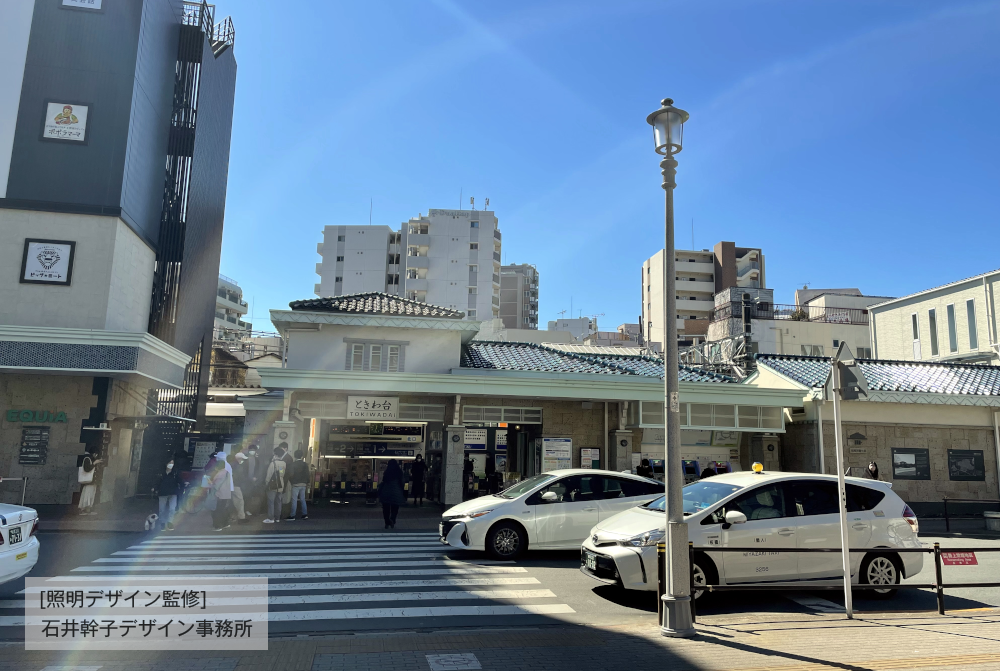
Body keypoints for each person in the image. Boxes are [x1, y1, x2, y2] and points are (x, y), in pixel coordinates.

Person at [154, 459, 181, 531]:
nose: (171, 464)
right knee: (162, 509)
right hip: (163, 493)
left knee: (172, 509)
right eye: (170, 463)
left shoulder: (175, 473)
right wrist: (155, 489)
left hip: (173, 493)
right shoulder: (161, 473)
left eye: (172, 463)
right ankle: (162, 522)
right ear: (166, 464)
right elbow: (157, 482)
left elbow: (180, 481)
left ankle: (170, 522)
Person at [379, 459, 406, 529]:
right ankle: (392, 519)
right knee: (395, 508)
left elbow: (384, 481)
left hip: (386, 492)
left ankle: (387, 522)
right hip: (396, 492)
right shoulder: (399, 472)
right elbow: (402, 482)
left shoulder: (387, 472)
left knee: (386, 508)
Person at [262, 447, 287, 524]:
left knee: (271, 502)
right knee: (278, 502)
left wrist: (266, 483)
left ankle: (271, 518)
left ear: (275, 454)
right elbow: (282, 473)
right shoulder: (283, 463)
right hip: (280, 484)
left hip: (272, 485)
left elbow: (268, 475)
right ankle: (277, 518)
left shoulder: (273, 463)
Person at [210, 453, 233, 531]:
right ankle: (225, 523)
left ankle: (218, 526)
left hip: (219, 494)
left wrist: (211, 483)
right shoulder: (227, 472)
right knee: (223, 509)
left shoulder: (220, 474)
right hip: (226, 494)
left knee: (218, 510)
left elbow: (216, 485)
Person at [77, 448, 102, 516]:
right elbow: (87, 469)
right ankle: (84, 509)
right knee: (87, 495)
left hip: (93, 481)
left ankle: (88, 509)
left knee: (91, 495)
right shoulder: (87, 458)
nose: (96, 455)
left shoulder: (91, 459)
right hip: (89, 482)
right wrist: (94, 463)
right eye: (95, 454)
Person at [286, 449, 310, 520]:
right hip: (303, 484)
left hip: (295, 484)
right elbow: (307, 475)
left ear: (294, 456)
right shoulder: (305, 464)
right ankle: (304, 514)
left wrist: (291, 481)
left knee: (294, 500)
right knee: (303, 499)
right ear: (302, 456)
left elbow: (291, 474)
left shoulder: (293, 464)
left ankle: (292, 515)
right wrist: (307, 482)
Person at [229, 453, 249, 524]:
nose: (243, 460)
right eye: (242, 459)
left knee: (232, 502)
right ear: (239, 458)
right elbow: (240, 476)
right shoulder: (238, 466)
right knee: (240, 501)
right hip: (236, 485)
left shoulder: (231, 464)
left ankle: (232, 517)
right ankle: (241, 518)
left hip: (230, 485)